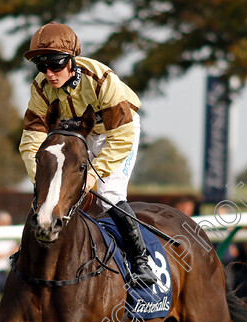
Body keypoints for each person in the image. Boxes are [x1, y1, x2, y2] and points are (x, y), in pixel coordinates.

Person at [18, 21, 158, 287]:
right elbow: (31, 138)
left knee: (107, 192)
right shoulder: (40, 88)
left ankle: (141, 261)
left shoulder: (101, 79)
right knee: (53, 195)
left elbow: (122, 135)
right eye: (41, 66)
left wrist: (95, 174)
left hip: (117, 131)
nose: (48, 73)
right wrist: (41, 177)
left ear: (72, 60)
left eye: (56, 64)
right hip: (79, 136)